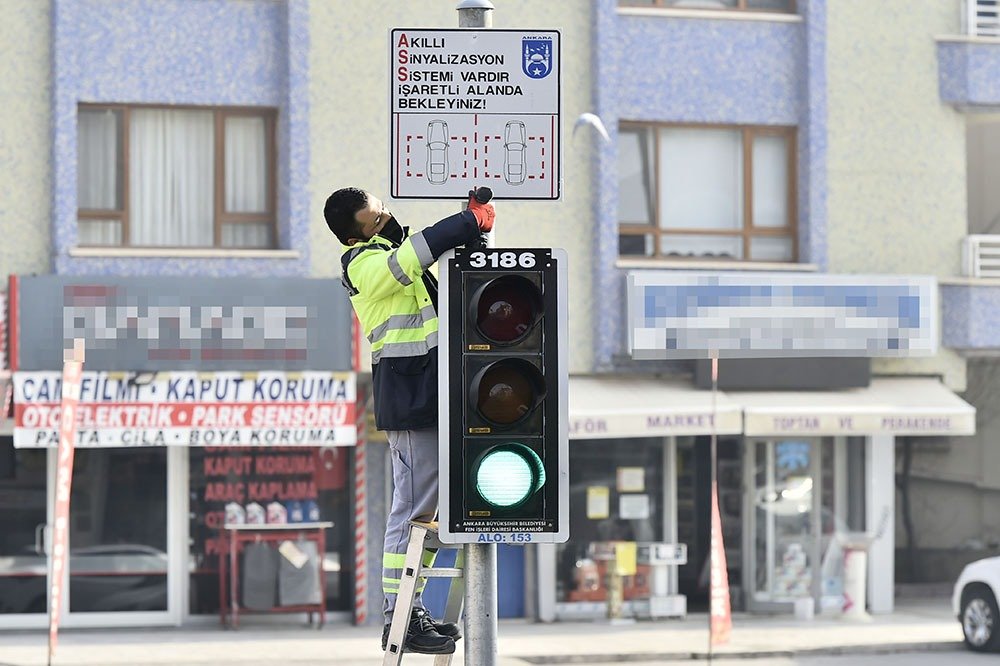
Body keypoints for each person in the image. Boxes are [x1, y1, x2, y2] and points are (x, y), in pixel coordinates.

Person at [324, 187, 495, 655]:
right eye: (377, 217)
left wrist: (473, 232)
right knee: (413, 510)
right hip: (412, 399)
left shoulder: (392, 255)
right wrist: (465, 222)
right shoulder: (363, 266)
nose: (387, 217)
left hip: (432, 395)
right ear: (359, 231)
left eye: (382, 208)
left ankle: (410, 608)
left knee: (431, 512)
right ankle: (398, 613)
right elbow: (412, 257)